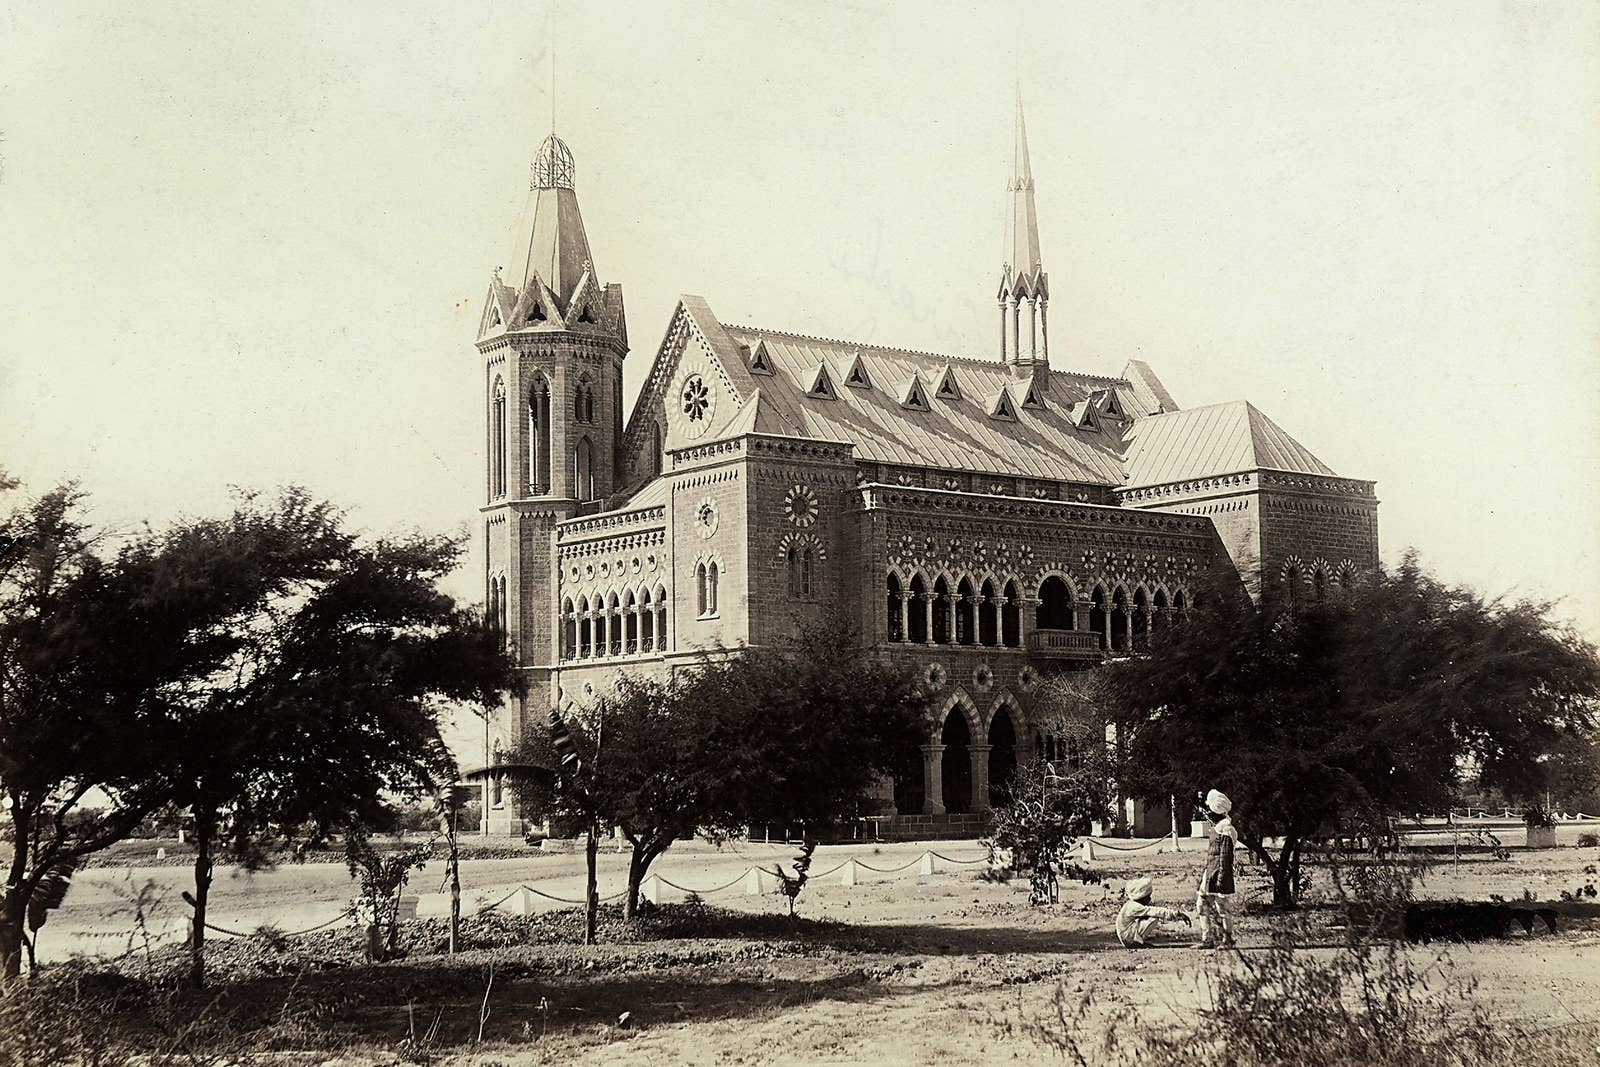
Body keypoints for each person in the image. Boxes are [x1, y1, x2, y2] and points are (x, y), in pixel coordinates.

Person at [1196, 788, 1237, 947]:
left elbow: (1225, 856)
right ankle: (1207, 939)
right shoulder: (1218, 826)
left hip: (1219, 872)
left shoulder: (1225, 828)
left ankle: (1228, 939)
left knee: (1222, 906)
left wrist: (1221, 877)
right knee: (1202, 903)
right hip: (1211, 871)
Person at [1116, 876, 1192, 947]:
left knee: (1148, 916)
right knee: (1154, 918)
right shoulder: (1135, 907)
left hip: (1126, 935)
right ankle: (1137, 943)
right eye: (1147, 896)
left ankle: (1138, 940)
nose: (1149, 899)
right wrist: (1176, 914)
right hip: (1127, 937)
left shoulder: (1131, 904)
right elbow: (1155, 911)